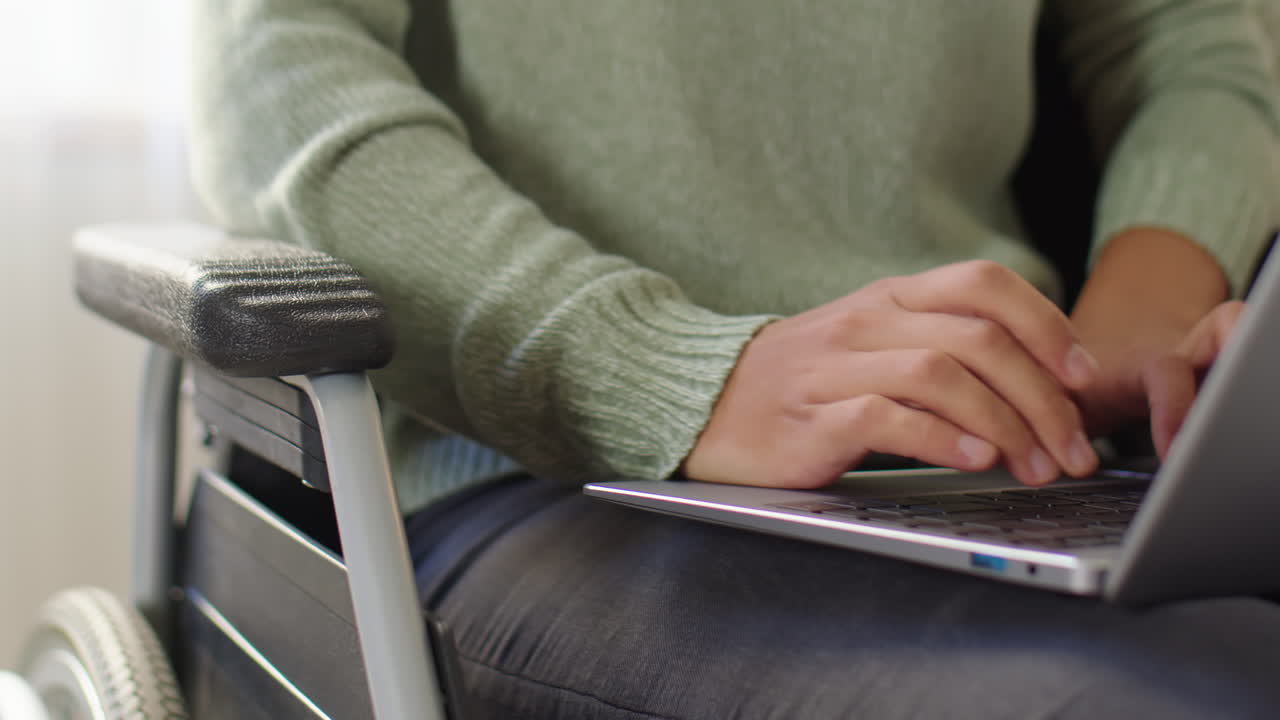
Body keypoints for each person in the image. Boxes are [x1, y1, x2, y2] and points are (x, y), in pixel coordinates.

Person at [189, 1, 1280, 717]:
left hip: (1020, 449)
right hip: (551, 483)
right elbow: (276, 82)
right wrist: (664, 373)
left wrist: (1145, 303)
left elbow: (1185, 45)